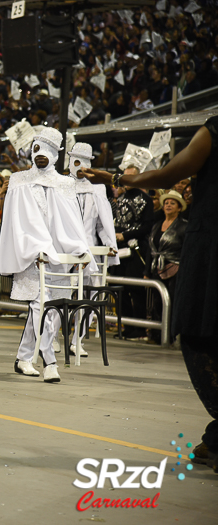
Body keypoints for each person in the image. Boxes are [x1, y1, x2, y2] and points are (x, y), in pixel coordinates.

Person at [84, 116, 218, 474]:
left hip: (211, 242)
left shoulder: (216, 129)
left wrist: (117, 178)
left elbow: (166, 174)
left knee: (195, 332)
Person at [0, 127, 93, 383]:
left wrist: (80, 250)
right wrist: (32, 247)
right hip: (34, 255)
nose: (40, 154)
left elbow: (73, 221)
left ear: (56, 153)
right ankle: (50, 361)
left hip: (61, 257)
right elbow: (17, 221)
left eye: (47, 149)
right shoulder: (19, 180)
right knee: (40, 305)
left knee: (49, 311)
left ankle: (23, 358)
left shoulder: (65, 183)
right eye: (36, 148)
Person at [70, 142, 118, 355]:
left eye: (84, 162)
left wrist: (109, 243)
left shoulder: (97, 189)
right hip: (64, 248)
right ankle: (51, 337)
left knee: (91, 296)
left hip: (90, 250)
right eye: (76, 160)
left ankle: (77, 339)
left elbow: (103, 222)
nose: (79, 166)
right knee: (56, 292)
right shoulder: (61, 185)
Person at [111, 165, 155, 339]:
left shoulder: (146, 199)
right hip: (118, 249)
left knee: (135, 289)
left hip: (136, 250)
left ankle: (139, 327)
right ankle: (127, 326)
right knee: (118, 289)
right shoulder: (120, 198)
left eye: (130, 177)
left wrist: (126, 235)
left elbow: (147, 226)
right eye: (125, 176)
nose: (126, 180)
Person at [144, 190, 187, 344]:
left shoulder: (184, 226)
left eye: (172, 203)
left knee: (173, 302)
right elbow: (151, 250)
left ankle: (171, 335)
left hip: (176, 270)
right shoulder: (156, 225)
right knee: (156, 302)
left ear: (179, 208)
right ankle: (156, 335)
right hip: (157, 267)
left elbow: (186, 251)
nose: (168, 205)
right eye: (166, 203)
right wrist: (147, 270)